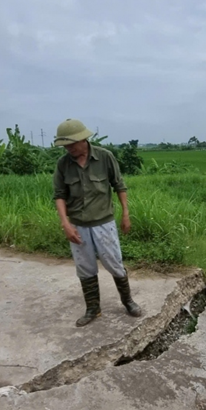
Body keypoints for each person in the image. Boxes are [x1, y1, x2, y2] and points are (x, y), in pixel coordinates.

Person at [52, 118, 142, 327]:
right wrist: (65, 223)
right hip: (78, 225)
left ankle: (128, 301)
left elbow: (120, 186)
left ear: (84, 139)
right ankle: (93, 308)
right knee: (85, 268)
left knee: (114, 263)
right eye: (65, 145)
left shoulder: (105, 157)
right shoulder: (63, 164)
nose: (69, 149)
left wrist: (126, 214)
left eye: (72, 144)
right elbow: (59, 195)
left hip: (104, 223)